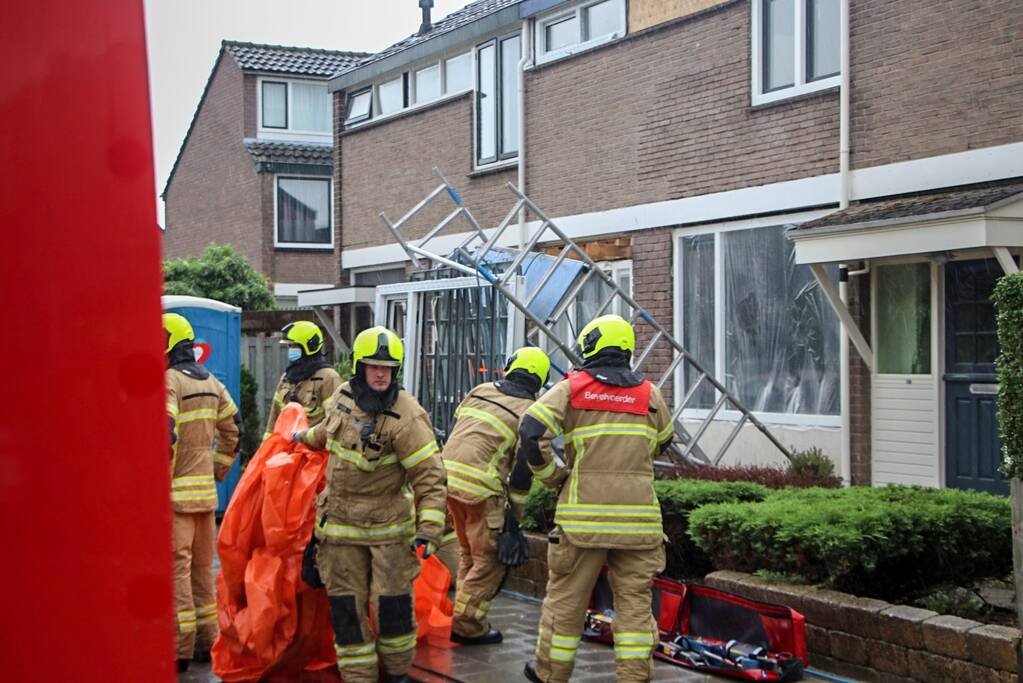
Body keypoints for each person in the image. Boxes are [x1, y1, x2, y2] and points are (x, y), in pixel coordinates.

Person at [510, 314, 674, 683]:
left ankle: (551, 676)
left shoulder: (574, 387)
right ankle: (634, 678)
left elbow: (531, 427)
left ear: (590, 346)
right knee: (634, 608)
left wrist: (551, 477)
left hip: (582, 524)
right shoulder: (650, 393)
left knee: (566, 604)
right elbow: (665, 438)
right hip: (639, 526)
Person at [292, 326, 447, 683]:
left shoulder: (408, 416)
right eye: (374, 366)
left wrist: (429, 532)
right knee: (346, 609)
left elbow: (431, 477)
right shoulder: (343, 397)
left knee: (392, 608)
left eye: (388, 368)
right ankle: (358, 677)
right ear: (360, 367)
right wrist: (298, 437)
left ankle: (396, 675)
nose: (381, 374)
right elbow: (325, 434)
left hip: (389, 535)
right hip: (340, 532)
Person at [443, 347, 551, 645]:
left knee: (469, 554)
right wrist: (513, 519)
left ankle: (461, 614)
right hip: (480, 489)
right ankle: (467, 624)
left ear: (510, 367)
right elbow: (521, 474)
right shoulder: (530, 411)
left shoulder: (480, 389)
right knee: (489, 561)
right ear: (540, 379)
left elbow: (464, 431)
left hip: (446, 480)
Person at [163, 313, 241, 672]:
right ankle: (206, 642)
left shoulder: (170, 381)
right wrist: (217, 469)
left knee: (177, 572)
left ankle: (179, 650)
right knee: (200, 574)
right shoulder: (211, 381)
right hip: (206, 497)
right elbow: (234, 428)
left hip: (176, 499)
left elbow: (166, 433)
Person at [262, 320, 341, 440]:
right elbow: (274, 419)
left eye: (294, 346)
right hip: (286, 453)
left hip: (312, 454)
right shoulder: (286, 378)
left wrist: (306, 439)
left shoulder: (328, 378)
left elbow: (333, 424)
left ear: (309, 346)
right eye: (289, 346)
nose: (290, 350)